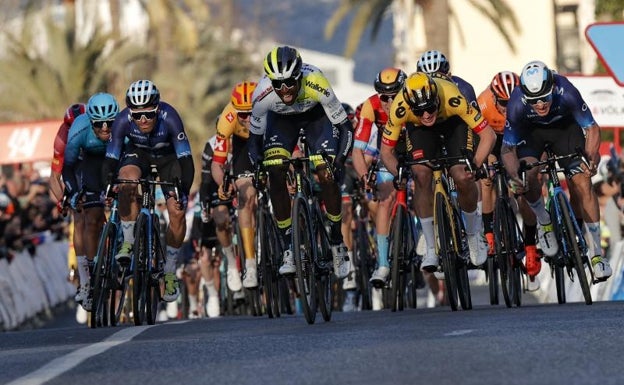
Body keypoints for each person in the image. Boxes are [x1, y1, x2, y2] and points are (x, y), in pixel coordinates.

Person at [248, 45, 353, 279]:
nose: (284, 90)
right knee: (275, 170)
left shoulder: (316, 81)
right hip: (282, 122)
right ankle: (288, 247)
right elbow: (254, 140)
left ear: (299, 77)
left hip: (316, 118)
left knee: (326, 173)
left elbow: (345, 128)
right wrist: (257, 164)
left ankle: (336, 241)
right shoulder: (262, 93)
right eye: (278, 84)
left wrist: (341, 159)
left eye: (289, 83)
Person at [501, 60, 612, 281]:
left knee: (582, 181)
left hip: (565, 130)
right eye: (534, 101)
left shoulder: (566, 90)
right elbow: (508, 148)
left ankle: (597, 255)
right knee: (528, 175)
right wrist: (515, 176)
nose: (540, 105)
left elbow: (591, 127)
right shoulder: (516, 103)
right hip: (531, 135)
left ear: (552, 87)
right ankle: (544, 220)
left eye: (544, 98)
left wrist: (589, 158)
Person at [380, 72, 496, 273]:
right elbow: (386, 151)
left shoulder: (452, 96)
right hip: (419, 132)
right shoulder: (400, 108)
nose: (426, 115)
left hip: (453, 124)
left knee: (462, 175)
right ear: (409, 106)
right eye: (420, 111)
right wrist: (398, 172)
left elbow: (488, 135)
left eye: (430, 108)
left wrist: (475, 164)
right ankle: (431, 249)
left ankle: (473, 233)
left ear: (436, 98)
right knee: (421, 174)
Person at [103, 79, 195, 302]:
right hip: (139, 154)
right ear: (130, 113)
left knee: (176, 209)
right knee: (126, 181)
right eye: (137, 115)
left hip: (168, 158)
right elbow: (111, 158)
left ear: (157, 109)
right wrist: (107, 185)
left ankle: (171, 271)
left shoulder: (170, 117)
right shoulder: (122, 120)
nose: (143, 120)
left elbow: (186, 160)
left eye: (149, 114)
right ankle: (128, 240)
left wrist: (182, 191)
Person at [477, 71, 541, 279]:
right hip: (493, 141)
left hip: (517, 141)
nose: (507, 106)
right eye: (503, 102)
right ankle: (489, 236)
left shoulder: (526, 103)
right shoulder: (483, 103)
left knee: (522, 188)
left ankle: (530, 246)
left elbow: (537, 134)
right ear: (494, 96)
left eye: (511, 100)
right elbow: (476, 137)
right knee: (487, 179)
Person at [62, 93, 119, 310]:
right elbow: (66, 168)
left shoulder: (123, 127)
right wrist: (74, 193)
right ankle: (90, 274)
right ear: (90, 121)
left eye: (110, 123)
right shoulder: (79, 129)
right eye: (99, 124)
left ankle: (128, 239)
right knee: (91, 217)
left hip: (116, 158)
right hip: (92, 164)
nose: (105, 128)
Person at [351, 68, 406, 290]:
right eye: (385, 96)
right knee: (384, 201)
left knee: (426, 180)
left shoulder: (411, 100)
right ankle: (383, 264)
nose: (390, 101)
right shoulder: (370, 106)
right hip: (388, 151)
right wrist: (364, 175)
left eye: (395, 95)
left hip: (415, 145)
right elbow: (358, 150)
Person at [211, 81, 259, 290]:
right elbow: (217, 163)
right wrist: (223, 183)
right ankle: (250, 264)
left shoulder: (271, 108)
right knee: (244, 198)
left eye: (252, 113)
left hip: (269, 138)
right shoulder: (228, 118)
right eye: (243, 115)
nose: (247, 118)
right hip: (243, 147)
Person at [49, 103, 87, 300]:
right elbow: (54, 178)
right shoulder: (62, 138)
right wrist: (62, 199)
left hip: (93, 162)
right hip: (74, 170)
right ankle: (84, 278)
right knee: (79, 216)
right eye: (72, 128)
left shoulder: (100, 129)